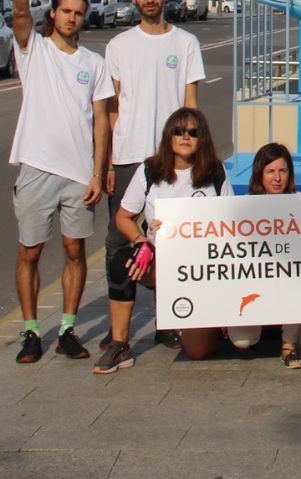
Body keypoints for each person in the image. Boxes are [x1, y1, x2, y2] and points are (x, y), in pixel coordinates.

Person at [8, 0, 114, 363]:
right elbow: (17, 12)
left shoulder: (94, 62)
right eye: (64, 11)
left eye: (77, 12)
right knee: (30, 252)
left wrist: (97, 170)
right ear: (51, 14)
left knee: (75, 251)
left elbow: (102, 121)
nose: (71, 17)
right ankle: (31, 331)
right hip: (37, 168)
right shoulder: (34, 50)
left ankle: (68, 329)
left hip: (78, 176)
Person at [103, 0, 205, 351]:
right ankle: (120, 337)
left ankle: (170, 321)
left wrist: (193, 155)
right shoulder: (118, 46)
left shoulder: (185, 44)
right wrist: (111, 163)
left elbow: (191, 106)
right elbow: (113, 110)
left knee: (174, 243)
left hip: (173, 161)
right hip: (130, 158)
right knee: (122, 244)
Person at [94, 107, 233, 374]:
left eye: (193, 132)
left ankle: (205, 322)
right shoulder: (150, 170)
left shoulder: (215, 172)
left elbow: (229, 220)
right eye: (178, 131)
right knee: (121, 261)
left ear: (202, 138)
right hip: (161, 263)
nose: (185, 137)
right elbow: (124, 217)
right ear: (168, 136)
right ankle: (119, 343)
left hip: (204, 268)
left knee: (199, 351)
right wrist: (140, 241)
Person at [179, 143, 301, 369]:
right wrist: (167, 228)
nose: (277, 178)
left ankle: (290, 346)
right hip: (256, 285)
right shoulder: (243, 208)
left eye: (283, 171)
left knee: (297, 283)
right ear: (259, 174)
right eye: (270, 171)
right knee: (242, 341)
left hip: (288, 282)